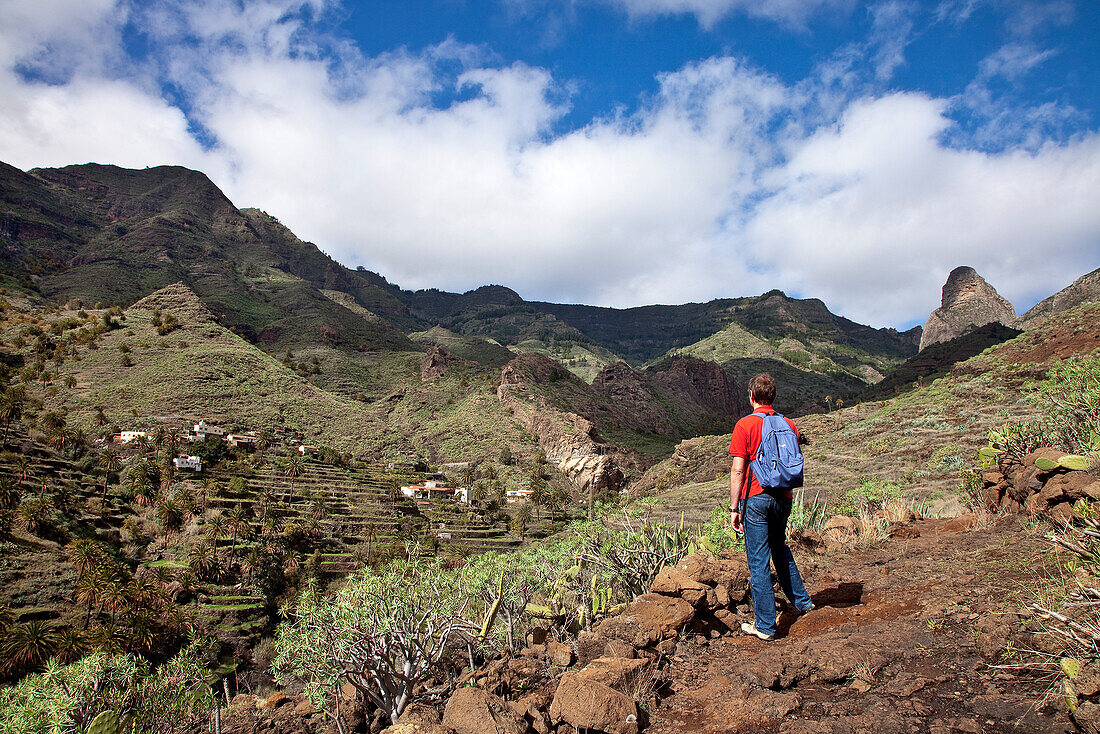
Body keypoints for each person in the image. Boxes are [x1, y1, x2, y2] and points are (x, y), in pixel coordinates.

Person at [729, 373, 814, 640]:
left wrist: (734, 508)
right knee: (780, 549)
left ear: (751, 396)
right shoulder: (789, 424)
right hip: (784, 498)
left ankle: (765, 625)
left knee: (758, 560)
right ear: (773, 396)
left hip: (756, 498)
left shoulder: (745, 425)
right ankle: (803, 603)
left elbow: (738, 470)